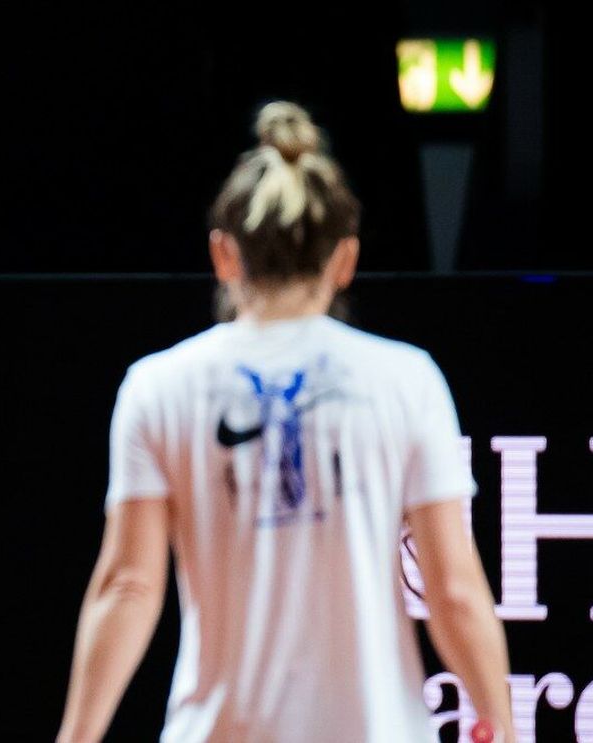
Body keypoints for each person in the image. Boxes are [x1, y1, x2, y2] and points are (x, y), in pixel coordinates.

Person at [56, 101, 514, 743]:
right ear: (345, 259)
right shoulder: (408, 380)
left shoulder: (158, 386)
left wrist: (76, 736)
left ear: (224, 254)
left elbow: (129, 586)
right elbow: (454, 590)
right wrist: (506, 726)